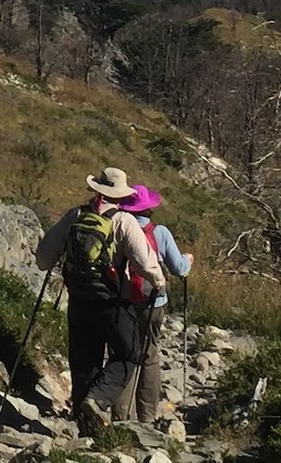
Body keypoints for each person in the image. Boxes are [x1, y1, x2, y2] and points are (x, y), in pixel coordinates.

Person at [35, 166, 168, 434]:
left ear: (96, 189)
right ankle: (97, 400)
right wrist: (159, 282)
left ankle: (84, 428)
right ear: (121, 196)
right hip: (112, 301)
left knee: (84, 360)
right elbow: (145, 262)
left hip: (79, 299)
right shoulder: (123, 221)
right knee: (129, 353)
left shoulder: (75, 216)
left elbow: (43, 258)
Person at [115, 184, 192, 424]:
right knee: (148, 355)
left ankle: (119, 416)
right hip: (154, 301)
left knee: (122, 355)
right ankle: (146, 417)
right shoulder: (160, 233)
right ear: (149, 208)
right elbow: (179, 268)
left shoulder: (117, 226)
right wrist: (189, 260)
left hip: (123, 300)